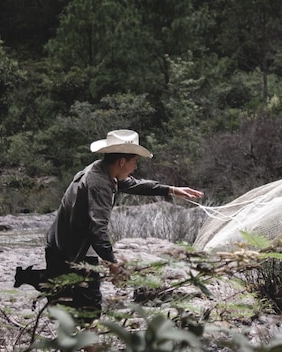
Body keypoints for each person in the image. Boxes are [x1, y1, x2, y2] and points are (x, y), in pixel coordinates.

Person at [43, 129, 203, 327]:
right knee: (87, 312)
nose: (135, 167)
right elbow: (97, 230)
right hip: (71, 253)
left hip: (62, 247)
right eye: (134, 162)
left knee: (68, 312)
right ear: (122, 162)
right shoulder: (99, 184)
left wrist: (171, 190)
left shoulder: (102, 170)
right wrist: (113, 263)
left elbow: (135, 185)